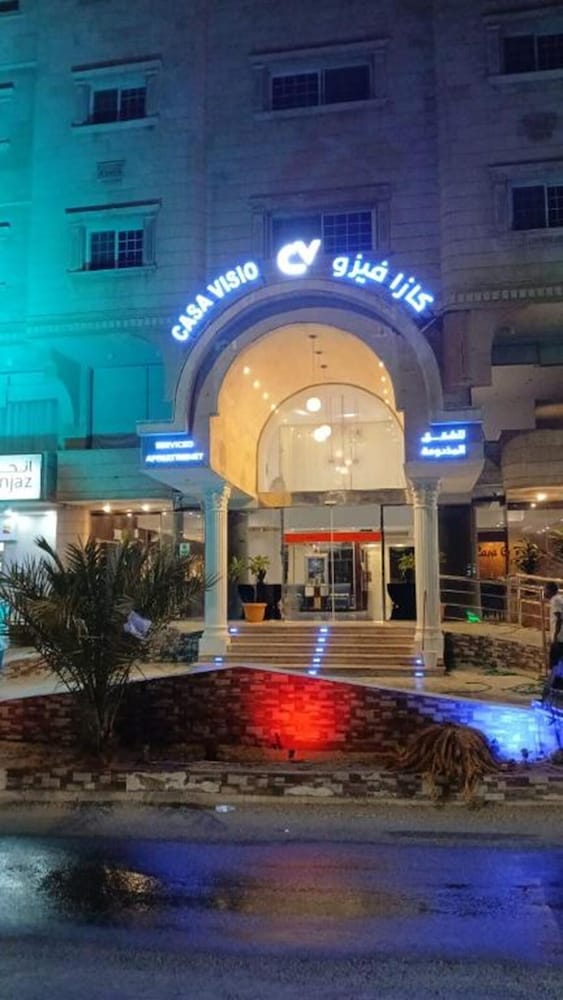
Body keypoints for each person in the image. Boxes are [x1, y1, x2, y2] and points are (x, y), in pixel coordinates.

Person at [541, 582, 563, 705]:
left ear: (550, 590)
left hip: (559, 639)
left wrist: (554, 637)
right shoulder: (560, 598)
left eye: (545, 590)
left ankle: (548, 696)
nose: (544, 592)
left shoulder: (555, 601)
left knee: (554, 665)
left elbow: (559, 618)